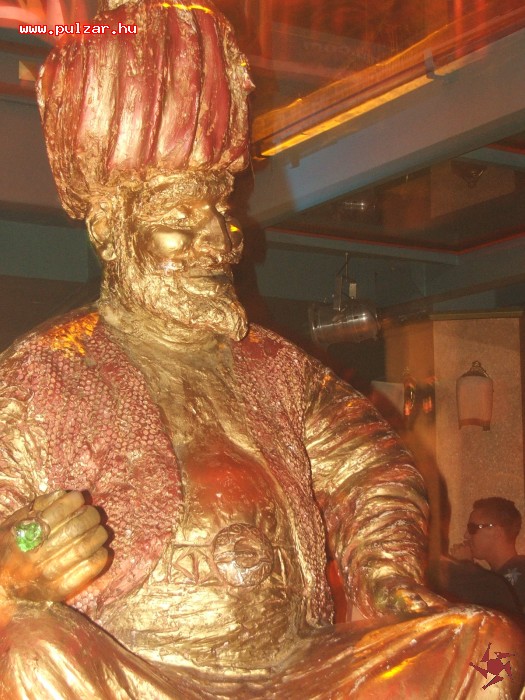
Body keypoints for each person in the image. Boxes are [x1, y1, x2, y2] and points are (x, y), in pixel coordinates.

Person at [0, 1, 524, 697]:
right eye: (180, 222)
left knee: (484, 643)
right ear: (112, 235)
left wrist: (388, 581)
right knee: (30, 646)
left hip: (300, 669)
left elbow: (373, 470)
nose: (218, 244)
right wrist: (14, 566)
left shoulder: (275, 367)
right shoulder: (44, 372)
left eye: (222, 216)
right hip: (138, 674)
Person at [449, 497, 525, 613]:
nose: (466, 535)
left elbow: (485, 616)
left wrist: (466, 569)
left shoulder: (520, 574)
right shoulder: (493, 577)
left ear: (496, 532)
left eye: (472, 528)